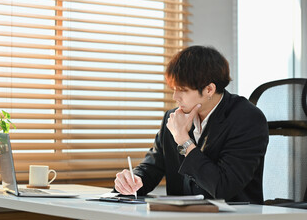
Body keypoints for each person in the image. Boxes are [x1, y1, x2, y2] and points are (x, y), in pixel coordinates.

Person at [114, 45, 269, 204]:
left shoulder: (247, 118)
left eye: (183, 90)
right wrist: (134, 180)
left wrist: (183, 140)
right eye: (174, 89)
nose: (175, 97)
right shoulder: (174, 117)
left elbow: (223, 187)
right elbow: (153, 166)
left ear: (209, 89)